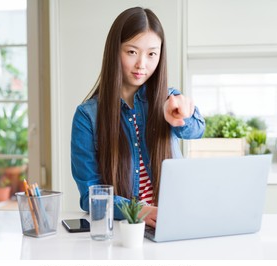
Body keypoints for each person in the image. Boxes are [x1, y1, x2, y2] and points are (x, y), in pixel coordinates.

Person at [71, 7, 205, 228]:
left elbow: (197, 131)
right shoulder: (87, 117)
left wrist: (184, 117)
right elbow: (90, 196)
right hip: (127, 229)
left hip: (175, 220)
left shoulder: (168, 100)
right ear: (115, 51)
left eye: (152, 54)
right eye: (132, 52)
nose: (142, 64)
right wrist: (138, 211)